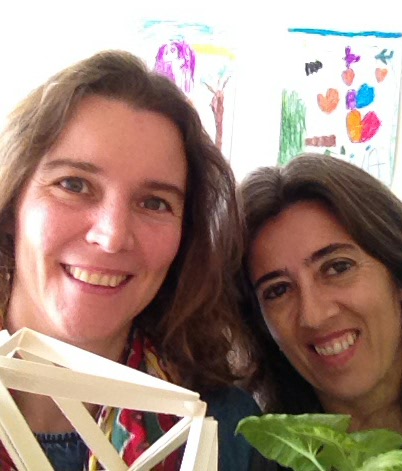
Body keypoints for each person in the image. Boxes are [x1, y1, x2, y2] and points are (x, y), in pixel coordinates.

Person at [0, 49, 260, 471]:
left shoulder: (229, 430)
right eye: (74, 184)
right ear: (13, 204)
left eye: (154, 203)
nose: (112, 236)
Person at [238, 152, 402, 457]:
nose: (314, 316)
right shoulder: (247, 454)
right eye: (278, 290)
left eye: (338, 268)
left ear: (399, 275)